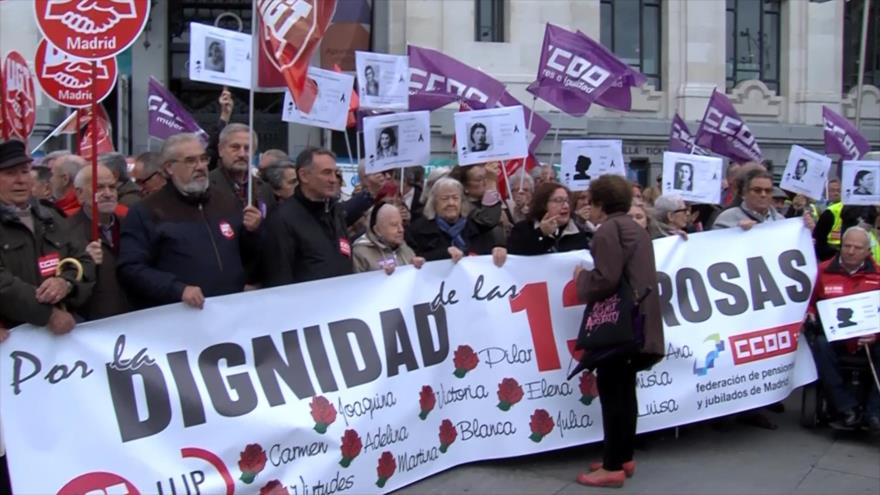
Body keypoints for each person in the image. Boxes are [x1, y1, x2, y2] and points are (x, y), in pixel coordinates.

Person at [572, 174, 663, 488]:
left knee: (612, 394)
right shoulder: (634, 228)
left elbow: (606, 279)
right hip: (640, 323)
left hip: (620, 327)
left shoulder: (609, 230)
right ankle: (623, 456)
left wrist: (581, 278)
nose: (589, 208)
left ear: (600, 203)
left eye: (591, 202)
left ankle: (612, 466)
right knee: (625, 392)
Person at [118, 133, 263, 309]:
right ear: (169, 167)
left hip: (229, 311)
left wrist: (252, 232)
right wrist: (177, 289)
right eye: (190, 161)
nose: (200, 166)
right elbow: (131, 268)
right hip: (180, 313)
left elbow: (246, 255)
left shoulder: (227, 202)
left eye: (203, 159)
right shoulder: (147, 211)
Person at [0, 140, 95, 331]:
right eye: (10, 173)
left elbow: (84, 260)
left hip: (60, 332)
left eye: (25, 172)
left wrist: (66, 283)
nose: (20, 180)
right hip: (13, 335)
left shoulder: (51, 217)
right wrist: (47, 314)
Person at [807, 226, 880, 432]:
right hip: (835, 337)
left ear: (868, 251)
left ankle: (874, 412)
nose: (851, 251)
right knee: (820, 345)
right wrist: (810, 313)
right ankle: (847, 407)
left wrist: (875, 334)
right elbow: (808, 303)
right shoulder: (821, 271)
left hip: (869, 339)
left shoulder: (878, 275)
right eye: (847, 246)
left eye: (857, 247)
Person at [261, 147, 353, 286]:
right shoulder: (282, 219)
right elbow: (279, 278)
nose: (333, 179)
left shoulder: (335, 212)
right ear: (303, 176)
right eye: (326, 173)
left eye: (336, 173)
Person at [68, 164, 131, 320]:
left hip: (134, 319)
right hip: (92, 323)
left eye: (112, 187)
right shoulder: (66, 232)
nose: (108, 194)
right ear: (80, 194)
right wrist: (83, 262)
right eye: (99, 188)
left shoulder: (130, 225)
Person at [406, 177, 507, 266]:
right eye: (445, 199)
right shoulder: (417, 230)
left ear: (462, 202)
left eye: (455, 198)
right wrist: (444, 254)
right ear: (434, 202)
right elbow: (413, 260)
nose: (451, 203)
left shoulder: (478, 227)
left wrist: (498, 250)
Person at [713, 168, 814, 231]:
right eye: (757, 190)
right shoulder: (727, 218)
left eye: (768, 190)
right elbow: (715, 248)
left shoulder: (780, 220)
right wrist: (736, 231)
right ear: (744, 193)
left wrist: (806, 232)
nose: (763, 194)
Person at [508, 182, 589, 255]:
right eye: (558, 200)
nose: (566, 206)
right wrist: (541, 233)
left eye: (567, 201)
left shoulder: (577, 232)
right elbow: (517, 256)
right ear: (543, 205)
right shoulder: (522, 229)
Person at [353, 203, 425, 274]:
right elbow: (356, 280)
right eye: (394, 225)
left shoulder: (404, 247)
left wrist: (418, 267)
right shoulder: (361, 252)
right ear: (377, 230)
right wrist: (380, 275)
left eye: (401, 224)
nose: (401, 230)